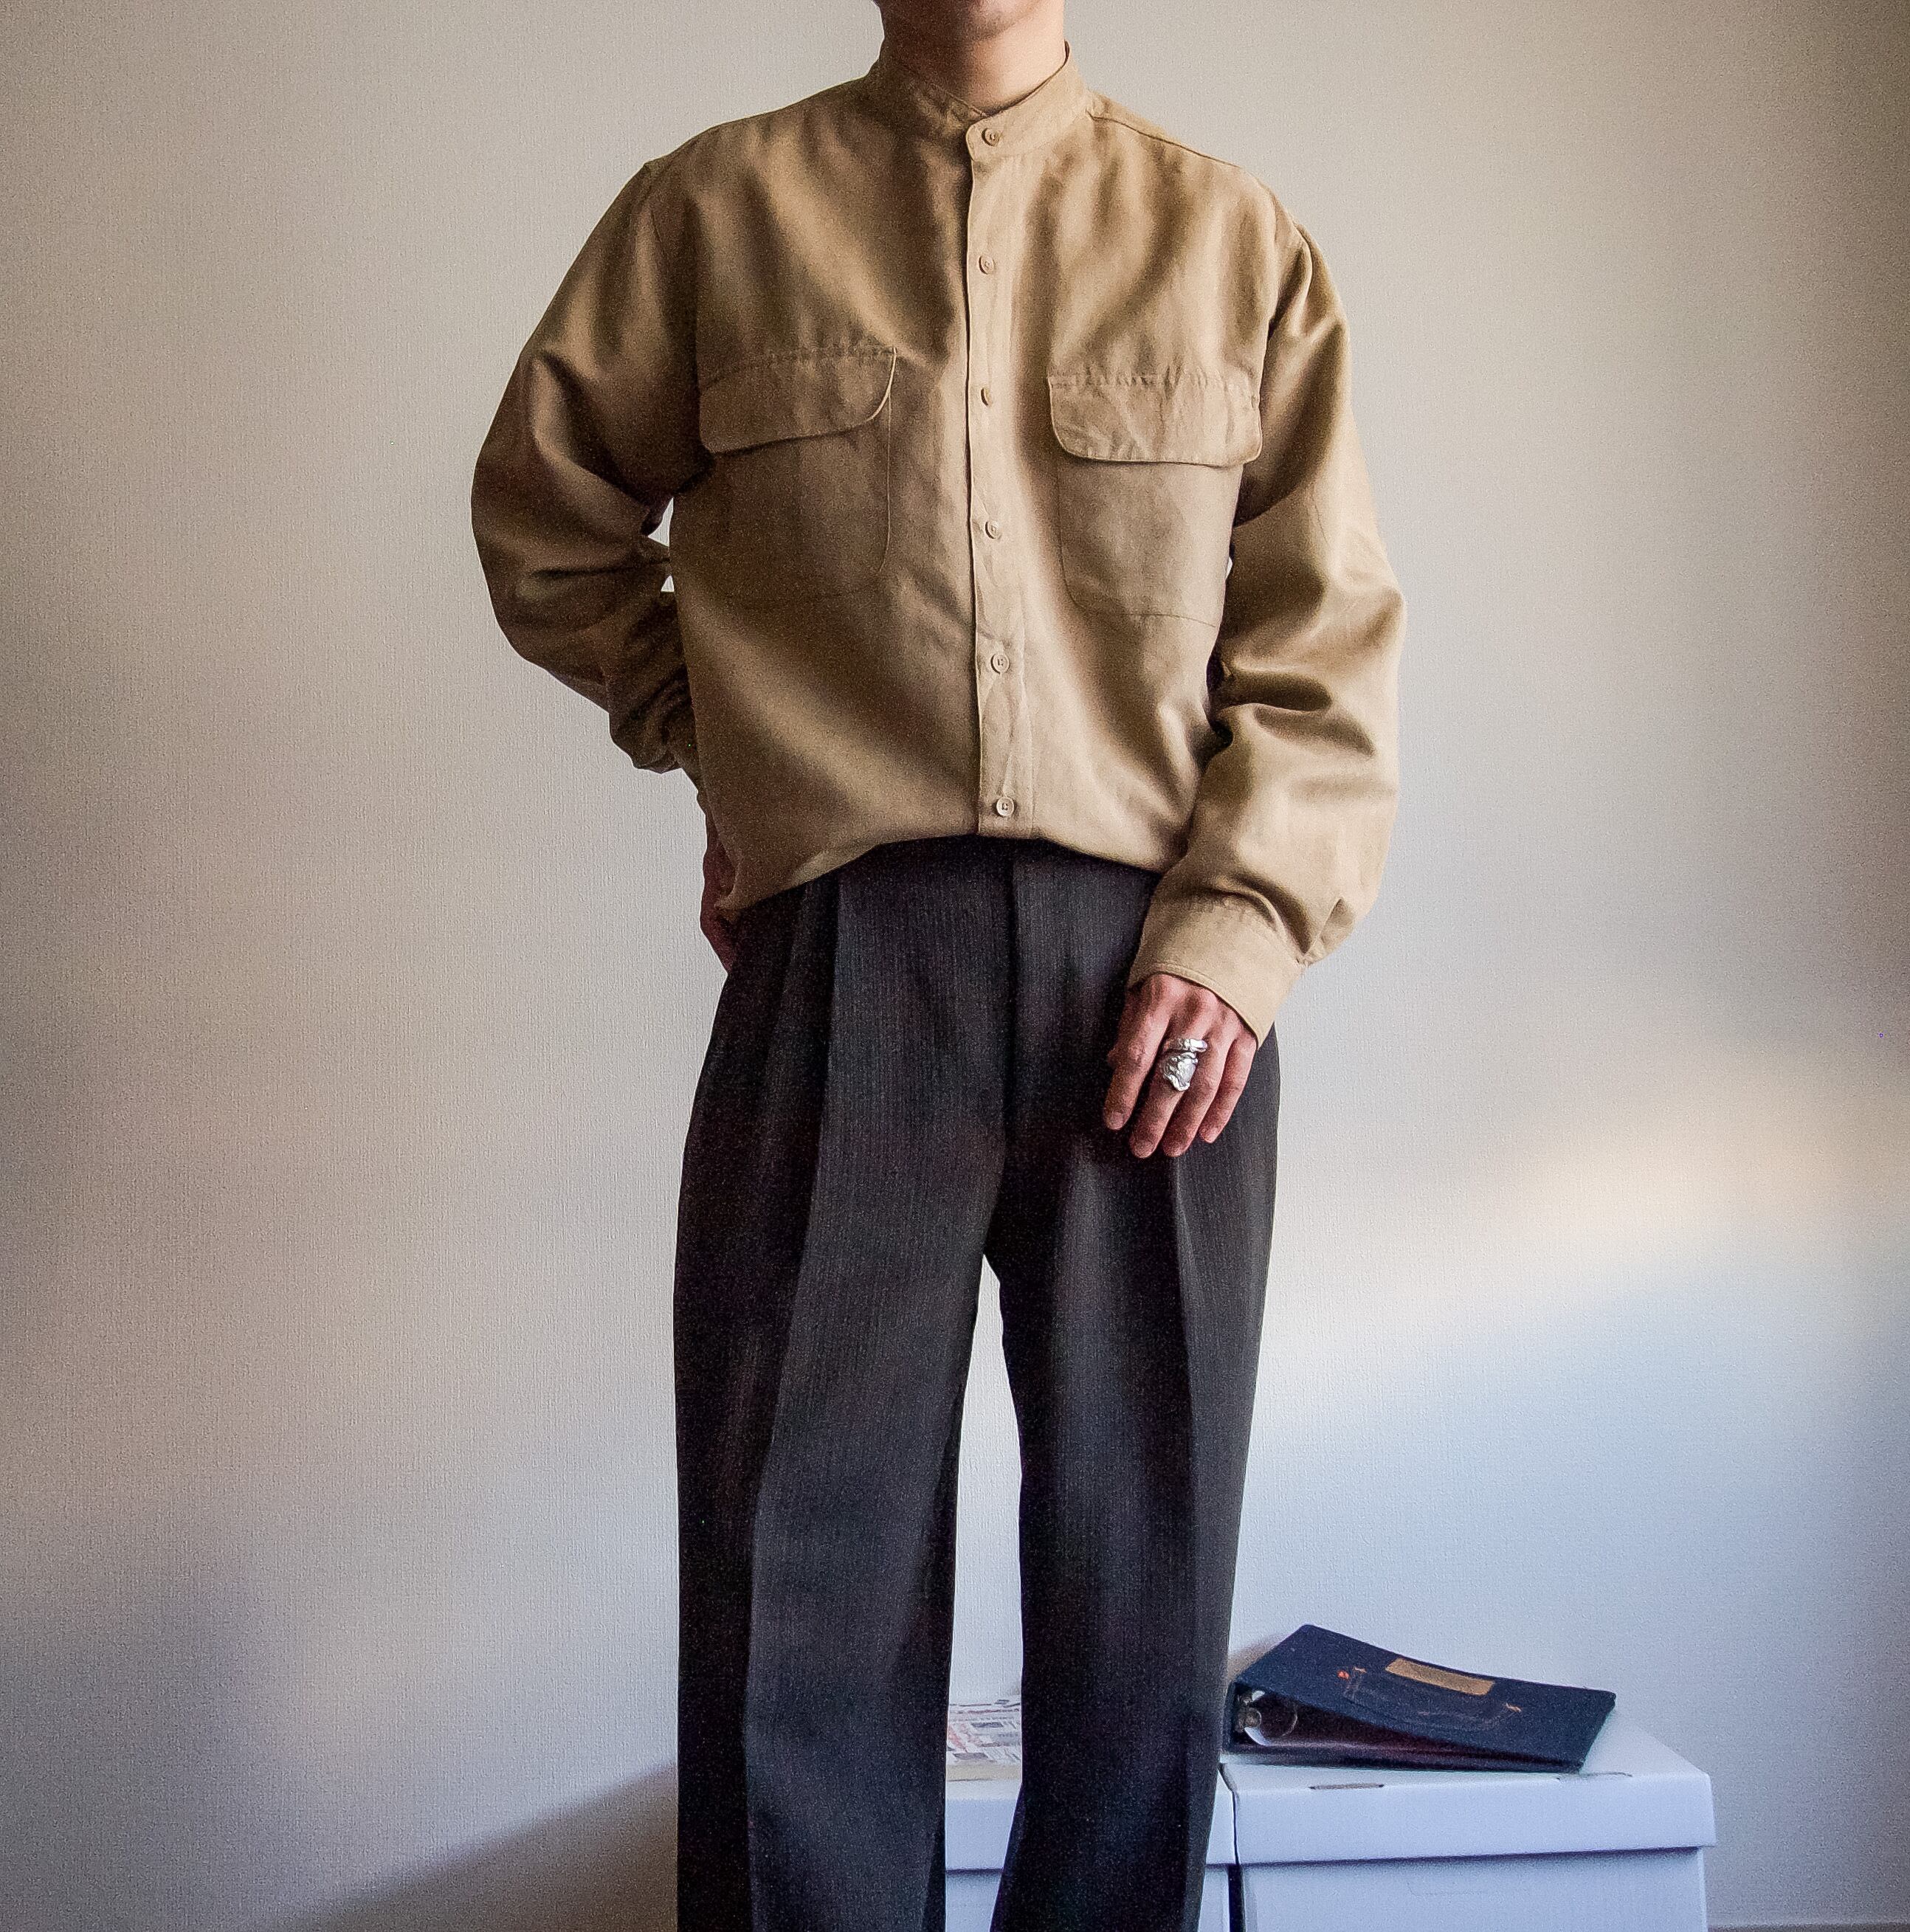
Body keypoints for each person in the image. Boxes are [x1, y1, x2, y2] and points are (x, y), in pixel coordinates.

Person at [469, 2, 1404, 1926]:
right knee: (791, 1599)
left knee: (1138, 1600)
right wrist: (729, 742)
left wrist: (1241, 931)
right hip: (845, 961)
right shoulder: (711, 216)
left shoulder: (1231, 239)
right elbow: (546, 524)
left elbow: (1322, 646)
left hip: (1158, 988)